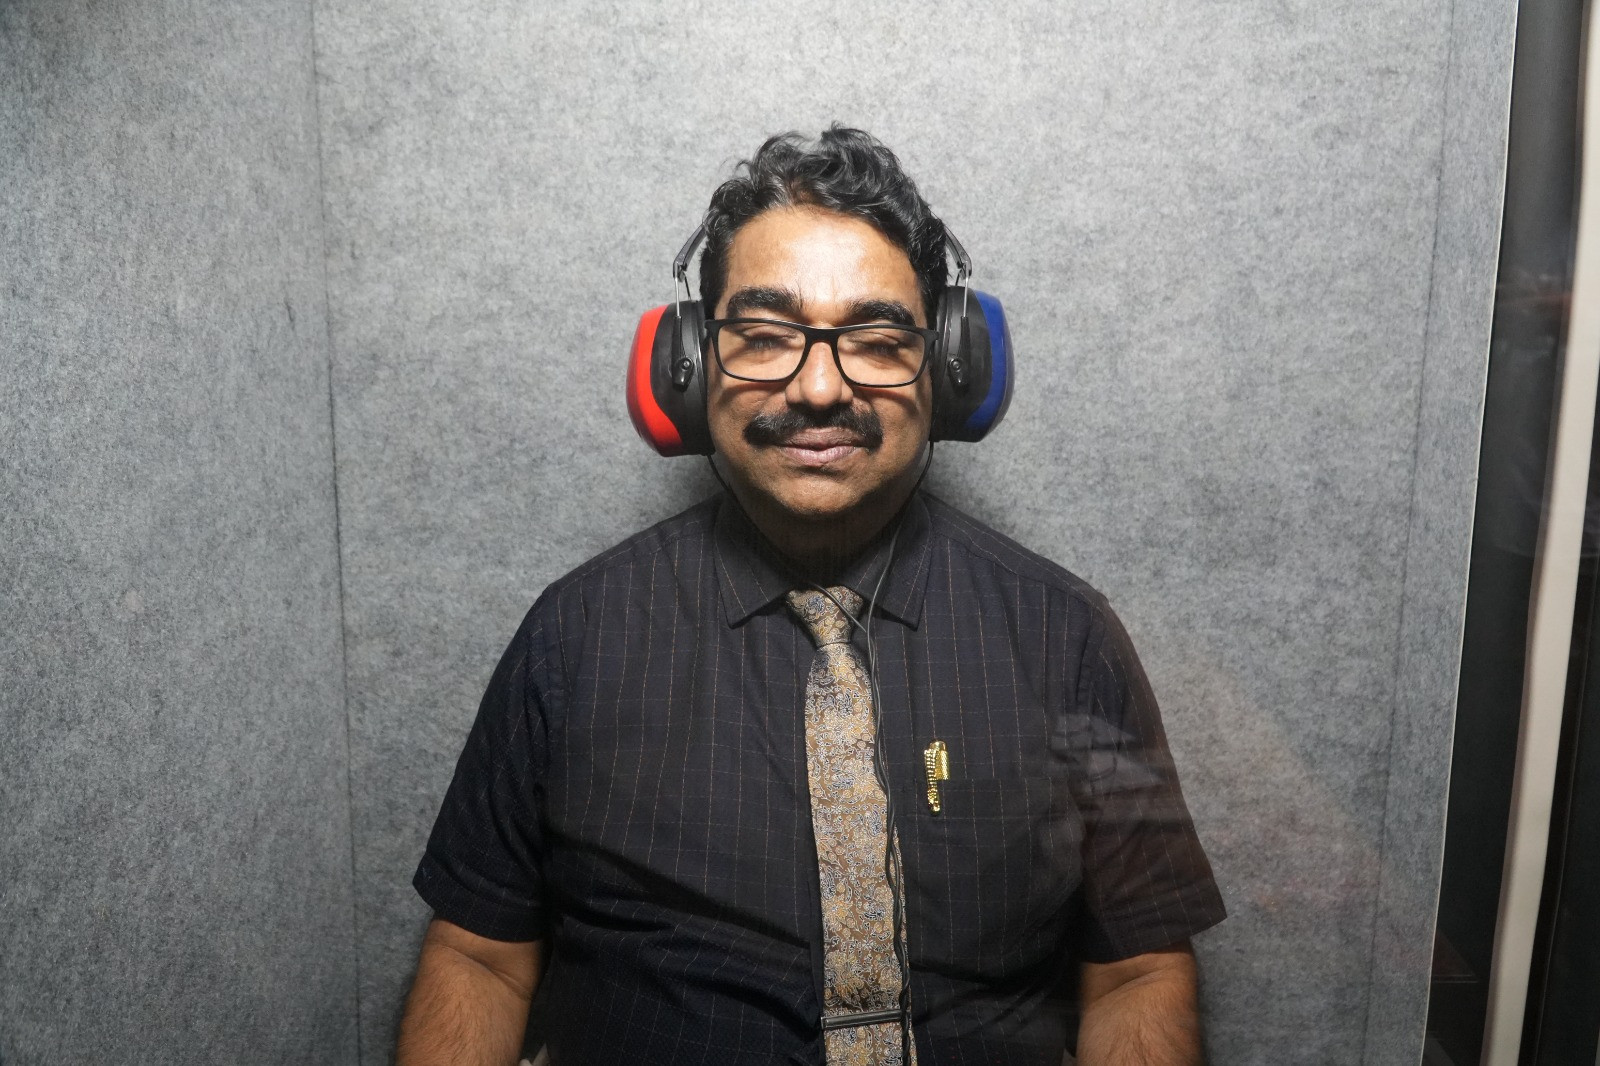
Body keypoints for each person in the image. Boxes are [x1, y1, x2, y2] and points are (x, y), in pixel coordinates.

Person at [396, 127, 1225, 1066]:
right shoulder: (574, 636)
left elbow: (1137, 975)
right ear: (688, 365)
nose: (821, 386)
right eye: (763, 337)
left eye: (876, 341)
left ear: (952, 370)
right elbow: (481, 961)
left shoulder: (1064, 637)